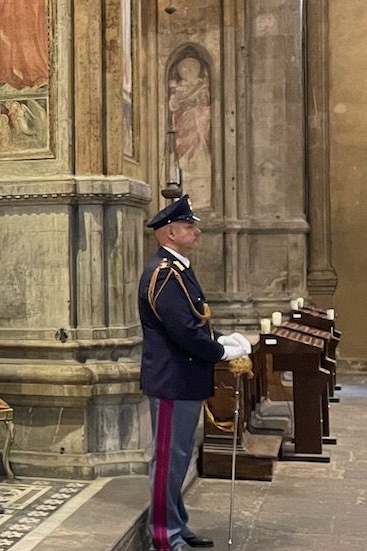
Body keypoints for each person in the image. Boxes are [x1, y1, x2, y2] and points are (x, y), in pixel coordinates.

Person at [139, 195, 251, 551]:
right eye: (189, 226)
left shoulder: (179, 270)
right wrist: (220, 351)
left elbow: (195, 324)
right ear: (170, 232)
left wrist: (220, 339)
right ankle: (164, 535)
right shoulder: (164, 274)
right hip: (172, 381)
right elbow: (184, 331)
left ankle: (177, 524)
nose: (196, 231)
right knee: (168, 462)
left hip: (184, 379)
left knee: (179, 460)